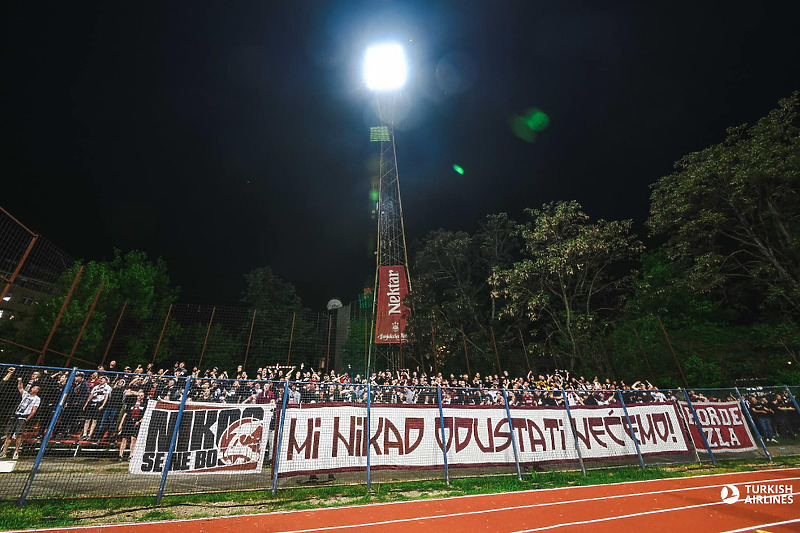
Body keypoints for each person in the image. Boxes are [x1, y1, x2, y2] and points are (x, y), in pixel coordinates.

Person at [0, 377, 40, 460]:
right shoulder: (26, 394)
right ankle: (4, 452)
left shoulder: (37, 399)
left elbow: (34, 410)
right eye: (32, 388)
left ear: (37, 390)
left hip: (23, 417)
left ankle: (16, 451)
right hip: (16, 415)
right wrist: (20, 381)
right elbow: (20, 388)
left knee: (19, 435)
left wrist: (27, 419)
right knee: (9, 435)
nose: (32, 389)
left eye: (34, 388)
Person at [117, 389, 147, 461]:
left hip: (137, 423)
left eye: (141, 395)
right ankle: (120, 455)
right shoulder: (131, 403)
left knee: (133, 439)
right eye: (139, 395)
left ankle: (131, 455)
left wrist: (139, 421)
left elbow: (145, 415)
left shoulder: (145, 405)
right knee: (124, 438)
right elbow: (125, 414)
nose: (140, 397)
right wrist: (121, 424)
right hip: (128, 422)